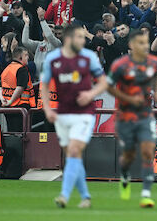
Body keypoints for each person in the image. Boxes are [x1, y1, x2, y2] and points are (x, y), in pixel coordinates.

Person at [40, 24, 109, 209]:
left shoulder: (88, 58)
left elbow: (103, 82)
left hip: (84, 113)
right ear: (69, 39)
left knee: (72, 152)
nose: (83, 40)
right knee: (73, 156)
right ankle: (85, 196)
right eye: (79, 37)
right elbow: (44, 85)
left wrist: (90, 94)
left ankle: (64, 195)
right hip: (63, 113)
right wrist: (47, 109)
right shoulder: (53, 59)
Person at [108, 29, 157, 208]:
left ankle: (146, 195)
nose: (145, 46)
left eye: (146, 43)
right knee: (129, 156)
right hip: (125, 116)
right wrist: (130, 98)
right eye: (141, 43)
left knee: (148, 152)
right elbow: (108, 86)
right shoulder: (120, 65)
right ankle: (124, 175)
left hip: (145, 115)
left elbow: (155, 78)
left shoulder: (153, 62)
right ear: (131, 45)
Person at [0, 46, 35, 132]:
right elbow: (20, 88)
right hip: (20, 106)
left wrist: (3, 100)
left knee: (12, 132)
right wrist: (11, 101)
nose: (28, 57)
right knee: (22, 134)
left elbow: (0, 88)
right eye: (26, 55)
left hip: (7, 107)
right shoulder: (21, 69)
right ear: (20, 57)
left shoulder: (6, 69)